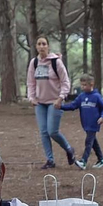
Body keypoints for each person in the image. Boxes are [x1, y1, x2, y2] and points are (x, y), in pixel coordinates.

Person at [26, 35, 76, 169]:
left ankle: (69, 149)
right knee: (43, 132)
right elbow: (31, 82)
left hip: (55, 102)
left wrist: (61, 97)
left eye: (44, 44)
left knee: (52, 131)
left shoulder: (56, 62)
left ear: (48, 46)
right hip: (40, 103)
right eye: (39, 44)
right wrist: (32, 98)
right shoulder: (34, 63)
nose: (41, 46)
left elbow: (65, 82)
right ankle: (50, 160)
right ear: (36, 47)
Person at [61, 72, 103, 170]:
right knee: (93, 142)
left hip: (94, 123)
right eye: (81, 85)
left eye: (84, 85)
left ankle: (83, 161)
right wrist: (61, 107)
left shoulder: (97, 96)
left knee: (88, 142)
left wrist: (102, 117)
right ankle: (101, 160)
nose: (82, 87)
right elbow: (73, 105)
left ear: (91, 84)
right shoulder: (81, 96)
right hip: (86, 124)